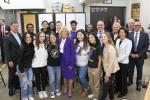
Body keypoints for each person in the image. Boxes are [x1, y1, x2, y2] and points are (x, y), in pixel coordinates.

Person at [3, 21, 23, 96]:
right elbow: (6, 50)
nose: (16, 28)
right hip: (12, 60)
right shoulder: (7, 37)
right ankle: (11, 89)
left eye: (17, 26)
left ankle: (17, 86)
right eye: (14, 26)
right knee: (11, 74)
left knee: (18, 73)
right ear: (11, 27)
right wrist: (9, 60)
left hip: (19, 59)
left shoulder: (19, 34)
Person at [128, 21, 149, 91]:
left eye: (138, 25)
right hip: (131, 56)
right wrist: (131, 53)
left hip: (140, 56)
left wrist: (139, 54)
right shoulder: (129, 34)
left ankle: (138, 84)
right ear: (133, 26)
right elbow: (127, 45)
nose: (137, 26)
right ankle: (130, 81)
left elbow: (146, 46)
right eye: (135, 25)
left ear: (140, 26)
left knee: (139, 71)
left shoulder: (145, 35)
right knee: (131, 70)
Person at [100, 32, 120, 100]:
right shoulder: (105, 46)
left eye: (104, 37)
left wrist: (107, 75)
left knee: (105, 88)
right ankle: (112, 98)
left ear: (108, 38)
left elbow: (111, 63)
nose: (103, 38)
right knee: (110, 86)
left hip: (110, 71)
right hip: (106, 69)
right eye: (102, 37)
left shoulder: (111, 48)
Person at [59, 26, 76, 98]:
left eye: (65, 32)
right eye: (62, 32)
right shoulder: (59, 40)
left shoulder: (70, 40)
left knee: (70, 77)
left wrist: (71, 63)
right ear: (60, 33)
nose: (64, 34)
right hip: (62, 60)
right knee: (64, 76)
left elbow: (73, 53)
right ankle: (65, 88)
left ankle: (69, 91)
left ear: (67, 33)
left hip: (69, 61)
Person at [17, 33, 35, 100]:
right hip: (22, 68)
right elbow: (19, 61)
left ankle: (29, 95)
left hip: (29, 67)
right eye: (26, 37)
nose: (28, 38)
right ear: (24, 39)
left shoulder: (31, 46)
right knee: (24, 85)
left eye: (29, 37)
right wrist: (21, 71)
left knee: (30, 83)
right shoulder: (21, 48)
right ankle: (24, 97)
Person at [115, 28, 132, 98]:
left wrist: (117, 60)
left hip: (124, 63)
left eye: (123, 32)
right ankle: (118, 88)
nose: (121, 33)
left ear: (125, 33)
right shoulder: (118, 40)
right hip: (117, 62)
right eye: (120, 32)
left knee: (123, 78)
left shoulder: (129, 41)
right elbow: (116, 51)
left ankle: (123, 92)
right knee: (117, 77)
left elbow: (127, 54)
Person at [32, 32, 48, 98]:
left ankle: (44, 90)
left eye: (43, 36)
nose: (42, 37)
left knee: (44, 78)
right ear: (38, 37)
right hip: (35, 65)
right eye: (41, 36)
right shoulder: (33, 43)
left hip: (44, 64)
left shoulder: (46, 44)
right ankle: (39, 91)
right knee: (37, 79)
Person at [87, 33, 102, 100]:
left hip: (96, 68)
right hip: (89, 66)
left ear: (95, 37)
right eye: (89, 38)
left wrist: (98, 69)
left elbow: (100, 58)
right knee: (91, 82)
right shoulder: (90, 45)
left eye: (92, 37)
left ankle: (96, 96)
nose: (90, 39)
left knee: (96, 83)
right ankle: (93, 93)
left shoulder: (99, 46)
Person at [75, 29, 90, 97]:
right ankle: (83, 88)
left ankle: (86, 89)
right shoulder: (75, 42)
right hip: (77, 64)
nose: (79, 36)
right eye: (78, 34)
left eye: (81, 34)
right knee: (79, 78)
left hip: (84, 65)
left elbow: (90, 54)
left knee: (82, 77)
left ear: (84, 35)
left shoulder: (88, 43)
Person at [47, 33, 61, 99]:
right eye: (51, 37)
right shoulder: (47, 45)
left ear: (56, 38)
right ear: (49, 39)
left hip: (58, 65)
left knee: (58, 79)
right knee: (52, 79)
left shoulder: (59, 45)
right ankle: (52, 91)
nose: (52, 38)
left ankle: (57, 89)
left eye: (53, 37)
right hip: (50, 65)